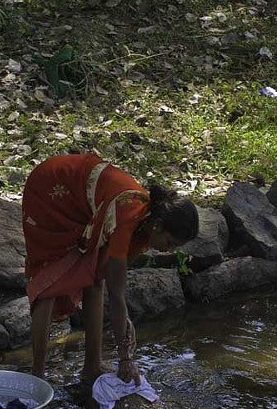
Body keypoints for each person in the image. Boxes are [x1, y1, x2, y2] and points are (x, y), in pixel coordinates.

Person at [21, 153, 199, 384]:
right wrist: (125, 358)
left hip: (83, 202)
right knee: (49, 285)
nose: (169, 251)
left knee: (95, 279)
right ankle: (37, 377)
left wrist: (126, 338)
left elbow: (106, 278)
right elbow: (117, 296)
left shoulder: (145, 223)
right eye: (170, 243)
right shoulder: (126, 219)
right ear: (157, 226)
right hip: (52, 188)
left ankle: (92, 365)